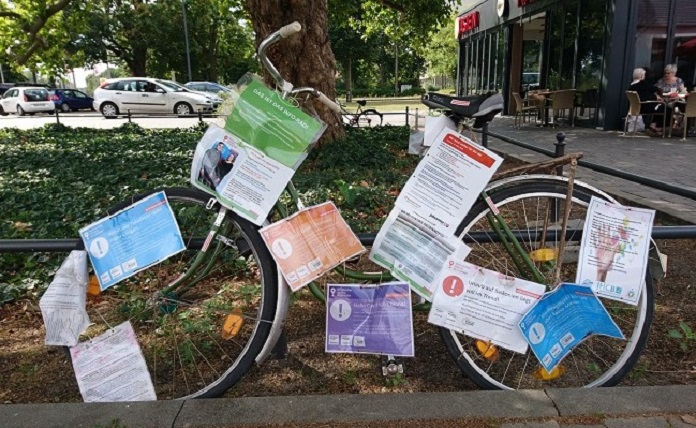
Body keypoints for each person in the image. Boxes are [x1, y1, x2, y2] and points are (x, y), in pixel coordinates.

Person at [628, 68, 665, 134]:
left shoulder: (631, 86)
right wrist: (656, 97)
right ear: (642, 76)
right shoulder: (643, 84)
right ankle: (655, 126)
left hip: (634, 108)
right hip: (644, 108)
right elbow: (648, 94)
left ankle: (654, 126)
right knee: (664, 107)